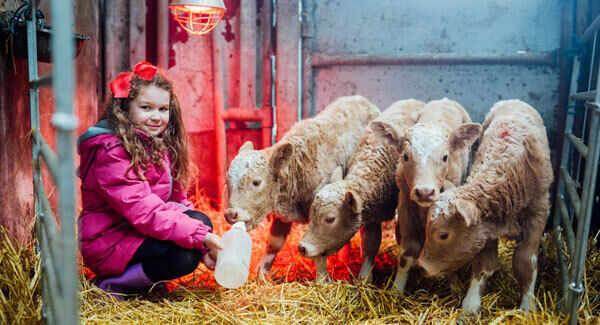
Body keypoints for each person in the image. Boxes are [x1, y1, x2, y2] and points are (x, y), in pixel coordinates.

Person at [77, 62, 224, 297]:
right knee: (184, 255)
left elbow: (176, 202)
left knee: (199, 222)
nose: (156, 117)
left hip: (133, 231)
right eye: (146, 108)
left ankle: (142, 278)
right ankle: (112, 284)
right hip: (109, 240)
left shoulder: (157, 144)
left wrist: (203, 239)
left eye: (163, 109)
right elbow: (145, 213)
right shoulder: (112, 153)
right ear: (125, 109)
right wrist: (199, 237)